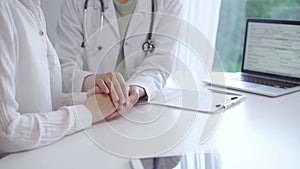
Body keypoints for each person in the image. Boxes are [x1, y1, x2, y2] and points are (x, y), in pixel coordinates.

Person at [0, 0, 118, 155]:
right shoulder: (4, 10)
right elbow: (7, 133)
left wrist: (88, 98)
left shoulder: (33, 9)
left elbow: (42, 103)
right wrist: (85, 113)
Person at [55, 0, 182, 119]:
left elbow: (159, 63)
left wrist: (137, 88)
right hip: (87, 108)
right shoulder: (76, 2)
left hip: (139, 110)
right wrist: (90, 80)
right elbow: (63, 66)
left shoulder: (168, 2)